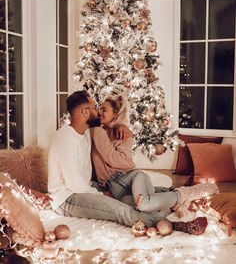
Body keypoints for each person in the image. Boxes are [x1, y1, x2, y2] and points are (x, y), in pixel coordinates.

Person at [47, 90, 212, 236]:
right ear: (85, 112)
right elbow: (75, 183)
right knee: (119, 209)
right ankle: (176, 225)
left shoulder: (86, 133)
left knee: (135, 200)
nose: (98, 111)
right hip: (68, 197)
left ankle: (175, 198)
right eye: (95, 107)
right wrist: (102, 195)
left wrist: (123, 127)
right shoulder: (65, 138)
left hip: (87, 188)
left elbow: (107, 131)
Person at [91, 95, 218, 217]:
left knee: (144, 205)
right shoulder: (97, 133)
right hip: (116, 189)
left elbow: (118, 160)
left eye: (104, 109)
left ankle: (188, 193)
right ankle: (176, 201)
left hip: (131, 177)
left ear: (115, 114)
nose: (99, 111)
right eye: (99, 108)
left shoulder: (120, 133)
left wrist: (101, 129)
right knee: (147, 209)